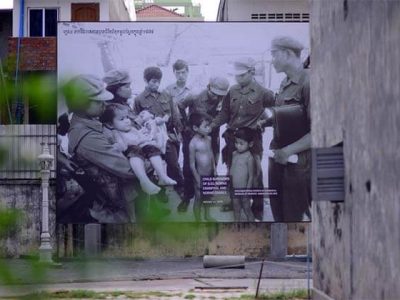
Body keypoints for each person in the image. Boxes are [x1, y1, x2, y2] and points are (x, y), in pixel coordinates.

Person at [65, 74, 138, 223]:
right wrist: (150, 160)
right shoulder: (87, 137)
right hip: (110, 208)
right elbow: (128, 169)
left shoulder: (88, 121)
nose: (104, 105)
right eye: (98, 102)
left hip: (115, 197)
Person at [211, 58, 275, 220]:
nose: (238, 79)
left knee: (255, 173)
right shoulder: (232, 91)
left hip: (252, 139)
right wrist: (211, 125)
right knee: (232, 171)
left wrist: (264, 122)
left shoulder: (263, 93)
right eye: (236, 76)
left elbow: (276, 111)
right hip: (232, 137)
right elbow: (224, 113)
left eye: (241, 75)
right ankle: (233, 202)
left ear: (251, 72)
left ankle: (258, 206)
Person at [267, 36, 311, 222]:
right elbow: (289, 116)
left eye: (274, 54)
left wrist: (288, 151)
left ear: (287, 53)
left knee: (294, 219)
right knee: (279, 216)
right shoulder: (286, 83)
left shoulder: (309, 82)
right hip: (279, 158)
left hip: (298, 164)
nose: (272, 59)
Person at [176, 76, 230, 212]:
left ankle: (207, 193)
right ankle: (187, 196)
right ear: (208, 87)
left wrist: (213, 126)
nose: (217, 98)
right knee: (189, 166)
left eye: (220, 96)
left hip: (212, 134)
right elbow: (180, 106)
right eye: (215, 94)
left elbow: (224, 115)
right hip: (192, 134)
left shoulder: (225, 100)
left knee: (211, 164)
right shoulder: (194, 96)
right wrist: (184, 126)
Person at [100, 104, 176, 195]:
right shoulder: (115, 132)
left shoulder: (132, 129)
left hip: (141, 148)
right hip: (132, 152)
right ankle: (143, 180)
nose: (127, 121)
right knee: (134, 150)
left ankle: (162, 175)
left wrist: (148, 139)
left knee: (152, 148)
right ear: (110, 124)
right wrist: (121, 145)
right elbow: (123, 146)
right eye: (122, 119)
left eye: (127, 117)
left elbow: (142, 137)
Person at [134, 67, 185, 199]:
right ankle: (160, 194)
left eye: (159, 82)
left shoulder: (166, 95)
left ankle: (181, 188)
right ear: (146, 80)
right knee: (156, 166)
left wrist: (178, 133)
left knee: (173, 164)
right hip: (151, 138)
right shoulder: (139, 99)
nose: (156, 85)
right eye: (153, 82)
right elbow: (137, 122)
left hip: (168, 136)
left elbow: (175, 115)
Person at [189, 112, 215, 222]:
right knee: (198, 199)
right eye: (205, 126)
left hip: (210, 174)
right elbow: (191, 164)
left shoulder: (208, 139)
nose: (209, 128)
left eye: (209, 125)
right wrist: (197, 178)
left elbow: (211, 154)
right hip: (199, 176)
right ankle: (197, 220)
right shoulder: (193, 144)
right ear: (195, 127)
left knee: (208, 197)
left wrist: (215, 168)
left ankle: (207, 215)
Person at [230, 127, 257, 222]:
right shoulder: (234, 154)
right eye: (236, 142)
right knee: (236, 209)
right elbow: (232, 170)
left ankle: (253, 226)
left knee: (247, 210)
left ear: (250, 144)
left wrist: (247, 191)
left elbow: (251, 176)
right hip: (234, 189)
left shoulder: (249, 158)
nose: (238, 146)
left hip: (244, 190)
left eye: (241, 143)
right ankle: (236, 226)